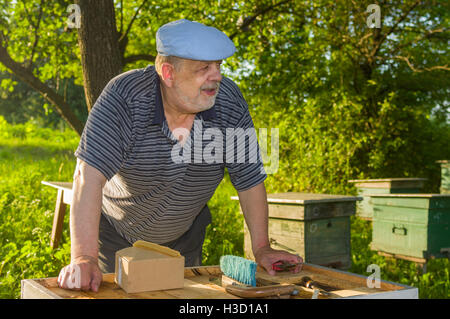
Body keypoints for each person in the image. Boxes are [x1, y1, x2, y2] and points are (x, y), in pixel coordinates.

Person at [57, 19, 303, 292]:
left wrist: (262, 248)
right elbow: (87, 176)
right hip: (118, 234)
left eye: (219, 66)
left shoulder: (229, 102)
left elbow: (249, 181)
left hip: (185, 238)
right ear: (168, 72)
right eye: (204, 68)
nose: (217, 76)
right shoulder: (125, 98)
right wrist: (83, 257)